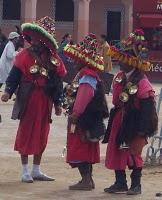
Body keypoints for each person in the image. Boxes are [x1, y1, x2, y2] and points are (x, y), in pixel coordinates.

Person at [1, 16, 66, 183]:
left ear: (45, 40)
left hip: (46, 100)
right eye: (35, 37)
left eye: (41, 38)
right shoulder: (23, 55)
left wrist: (58, 103)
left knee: (42, 133)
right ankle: (24, 171)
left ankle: (36, 169)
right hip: (28, 98)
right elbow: (14, 76)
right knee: (26, 132)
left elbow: (57, 82)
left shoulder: (53, 58)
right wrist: (8, 91)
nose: (36, 41)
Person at [103, 29, 158, 195]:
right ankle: (120, 182)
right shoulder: (119, 76)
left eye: (123, 59)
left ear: (132, 61)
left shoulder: (142, 82)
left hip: (135, 121)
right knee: (117, 151)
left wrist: (143, 130)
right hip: (119, 119)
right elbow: (115, 100)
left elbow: (148, 109)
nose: (120, 62)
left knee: (134, 153)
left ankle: (136, 185)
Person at [63, 33, 109, 190]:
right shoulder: (86, 75)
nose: (74, 61)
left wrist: (75, 114)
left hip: (83, 119)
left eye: (77, 59)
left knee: (81, 148)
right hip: (88, 118)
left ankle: (86, 180)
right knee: (85, 147)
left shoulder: (87, 77)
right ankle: (88, 179)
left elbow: (83, 98)